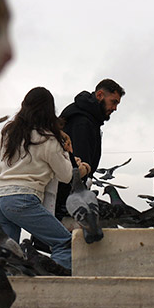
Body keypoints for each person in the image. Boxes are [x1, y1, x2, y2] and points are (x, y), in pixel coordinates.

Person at [0, 87, 85, 271]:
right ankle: (54, 289)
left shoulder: (7, 132)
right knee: (64, 243)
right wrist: (67, 154)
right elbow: (66, 176)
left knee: (5, 256)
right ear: (49, 111)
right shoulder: (49, 139)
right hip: (23, 199)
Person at [55, 78, 125, 217]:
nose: (115, 108)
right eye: (113, 102)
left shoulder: (86, 117)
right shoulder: (81, 121)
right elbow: (79, 162)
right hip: (68, 195)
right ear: (100, 95)